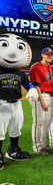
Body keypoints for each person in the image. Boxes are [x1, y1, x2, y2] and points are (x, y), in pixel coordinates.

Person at [0, 33, 35, 169]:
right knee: (0, 131)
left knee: (16, 128)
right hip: (1, 103)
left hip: (16, 103)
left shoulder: (19, 73)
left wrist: (32, 90)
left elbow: (28, 86)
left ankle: (13, 150)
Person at [29, 47, 53, 155]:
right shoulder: (36, 67)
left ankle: (43, 144)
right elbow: (36, 87)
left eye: (51, 55)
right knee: (38, 123)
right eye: (47, 54)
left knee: (46, 122)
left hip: (48, 95)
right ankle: (37, 147)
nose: (49, 56)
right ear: (42, 55)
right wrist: (42, 101)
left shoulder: (49, 66)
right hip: (38, 96)